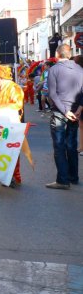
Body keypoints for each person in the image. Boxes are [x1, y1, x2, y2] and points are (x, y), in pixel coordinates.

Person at [46, 44, 83, 189]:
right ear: (69, 54)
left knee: (60, 146)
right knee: (71, 145)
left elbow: (53, 94)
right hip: (75, 111)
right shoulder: (80, 69)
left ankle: (62, 180)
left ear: (57, 54)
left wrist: (65, 110)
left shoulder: (54, 70)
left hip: (60, 112)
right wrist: (79, 109)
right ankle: (73, 176)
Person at [0, 64, 25, 184]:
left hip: (11, 124)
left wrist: (0, 108)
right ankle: (3, 174)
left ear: (1, 78)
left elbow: (17, 104)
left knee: (12, 150)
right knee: (1, 150)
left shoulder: (14, 88)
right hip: (0, 124)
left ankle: (14, 176)